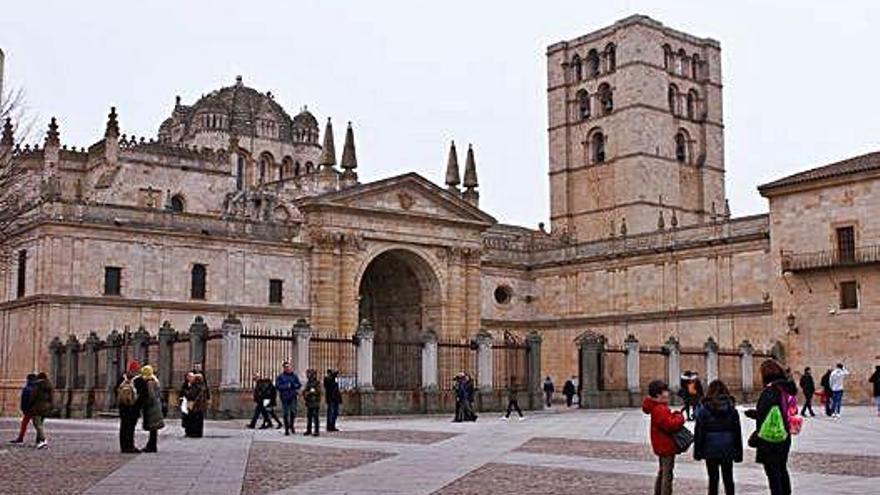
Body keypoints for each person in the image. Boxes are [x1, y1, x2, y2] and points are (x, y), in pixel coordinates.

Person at [746, 359, 796, 495]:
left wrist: (754, 414)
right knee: (782, 469)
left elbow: (765, 415)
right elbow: (780, 412)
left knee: (773, 474)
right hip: (784, 434)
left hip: (770, 438)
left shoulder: (770, 391)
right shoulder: (786, 389)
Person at [693, 380, 742, 495]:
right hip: (728, 447)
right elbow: (737, 433)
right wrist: (738, 453)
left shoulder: (704, 410)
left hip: (710, 448)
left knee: (713, 479)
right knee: (728, 478)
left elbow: (699, 432)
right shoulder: (732, 409)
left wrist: (698, 452)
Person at [642, 379, 686, 495]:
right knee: (667, 475)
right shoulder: (659, 409)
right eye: (665, 391)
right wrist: (679, 416)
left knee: (662, 473)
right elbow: (670, 425)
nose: (668, 394)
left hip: (662, 445)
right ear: (658, 394)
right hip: (666, 446)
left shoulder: (657, 407)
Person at [118, 360, 146, 453]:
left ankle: (123, 446)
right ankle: (130, 446)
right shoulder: (139, 380)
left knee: (123, 427)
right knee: (131, 428)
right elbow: (144, 395)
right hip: (133, 408)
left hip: (123, 408)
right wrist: (139, 406)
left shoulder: (122, 379)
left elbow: (116, 390)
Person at [140, 365, 164, 453]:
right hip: (156, 407)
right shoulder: (155, 380)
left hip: (152, 408)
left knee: (152, 428)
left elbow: (151, 396)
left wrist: (146, 404)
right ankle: (151, 445)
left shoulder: (149, 382)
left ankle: (151, 446)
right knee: (154, 429)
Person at [9, 373, 36, 444]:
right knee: (37, 425)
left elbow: (24, 400)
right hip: (35, 410)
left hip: (28, 410)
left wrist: (23, 409)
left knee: (24, 424)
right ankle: (40, 439)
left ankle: (20, 438)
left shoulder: (27, 388)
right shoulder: (37, 388)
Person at [275, 361, 302, 435]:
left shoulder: (294, 376)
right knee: (286, 413)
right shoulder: (280, 376)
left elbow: (299, 385)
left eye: (289, 366)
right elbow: (277, 386)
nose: (288, 368)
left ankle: (291, 425)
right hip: (284, 397)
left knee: (293, 412)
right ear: (284, 368)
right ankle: (287, 429)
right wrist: (286, 386)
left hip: (293, 396)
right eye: (286, 367)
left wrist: (294, 385)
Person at [181, 372, 208, 438]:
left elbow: (190, 395)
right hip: (200, 406)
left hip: (195, 406)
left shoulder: (195, 386)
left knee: (193, 420)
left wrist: (185, 392)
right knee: (198, 421)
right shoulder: (202, 386)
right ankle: (198, 433)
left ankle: (193, 433)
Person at [303, 369, 321, 436]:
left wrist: (310, 392)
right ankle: (309, 430)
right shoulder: (308, 382)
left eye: (309, 374)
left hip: (315, 401)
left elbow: (318, 391)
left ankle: (316, 430)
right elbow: (305, 390)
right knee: (309, 416)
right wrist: (305, 393)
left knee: (315, 417)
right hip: (309, 401)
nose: (307, 375)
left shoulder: (316, 382)